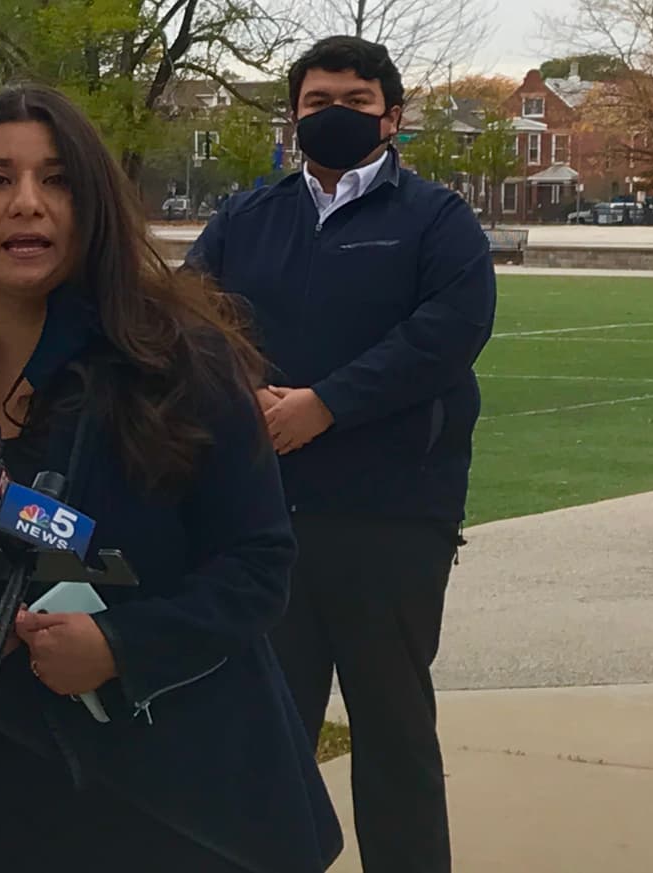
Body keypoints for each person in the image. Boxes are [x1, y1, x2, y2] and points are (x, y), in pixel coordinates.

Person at [0, 83, 341, 872]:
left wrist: (119, 644)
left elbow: (258, 565)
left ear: (94, 208)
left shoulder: (184, 371)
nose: (28, 203)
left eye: (58, 179)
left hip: (170, 798)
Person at [187, 36, 498, 873]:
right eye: (318, 101)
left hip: (392, 518)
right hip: (265, 517)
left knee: (393, 732)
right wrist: (244, 397)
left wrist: (325, 406)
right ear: (293, 115)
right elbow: (189, 321)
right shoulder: (246, 218)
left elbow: (448, 334)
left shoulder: (437, 219)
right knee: (269, 734)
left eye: (355, 102)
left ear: (392, 117)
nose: (334, 116)